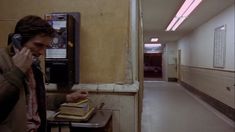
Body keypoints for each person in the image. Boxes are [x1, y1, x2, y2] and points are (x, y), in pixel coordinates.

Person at [0, 15, 88, 132]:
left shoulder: (32, 66)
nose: (42, 52)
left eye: (45, 47)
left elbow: (34, 101)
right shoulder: (3, 61)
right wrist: (17, 71)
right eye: (38, 45)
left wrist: (67, 97)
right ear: (18, 40)